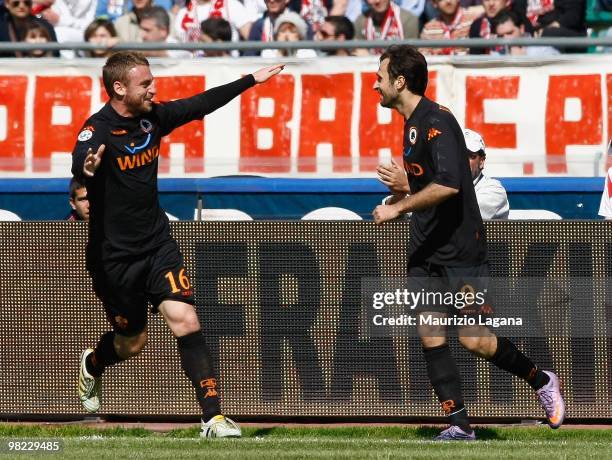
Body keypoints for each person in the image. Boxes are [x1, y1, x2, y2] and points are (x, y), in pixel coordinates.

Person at [71, 51, 284, 438]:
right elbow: (82, 159)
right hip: (114, 259)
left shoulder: (154, 118)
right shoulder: (98, 129)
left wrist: (250, 79)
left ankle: (213, 419)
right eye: (145, 83)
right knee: (131, 343)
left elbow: (200, 104)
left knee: (186, 320)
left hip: (157, 245)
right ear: (119, 88)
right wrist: (86, 168)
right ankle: (94, 363)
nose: (154, 88)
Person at [371, 45, 565, 441]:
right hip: (425, 250)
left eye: (380, 77)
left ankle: (541, 379)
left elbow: (449, 184)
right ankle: (460, 425)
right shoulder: (410, 125)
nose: (376, 85)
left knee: (475, 340)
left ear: (400, 81)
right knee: (430, 332)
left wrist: (400, 206)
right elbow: (432, 184)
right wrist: (401, 198)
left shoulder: (437, 121)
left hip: (460, 252)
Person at [378, 128, 509, 219]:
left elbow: (462, 214)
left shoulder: (493, 190)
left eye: (469, 155)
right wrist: (398, 197)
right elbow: (386, 212)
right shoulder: (432, 185)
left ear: (481, 161)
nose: (461, 160)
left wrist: (409, 186)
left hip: (473, 258)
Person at [353, 0, 419, 55]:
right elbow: (357, 52)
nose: (377, 1)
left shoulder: (408, 19)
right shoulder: (360, 21)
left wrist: (370, 57)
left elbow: (410, 56)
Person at [493, 9, 560, 56]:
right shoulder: (498, 53)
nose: (505, 39)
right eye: (501, 36)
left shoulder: (542, 48)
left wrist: (524, 60)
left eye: (510, 33)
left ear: (522, 29)